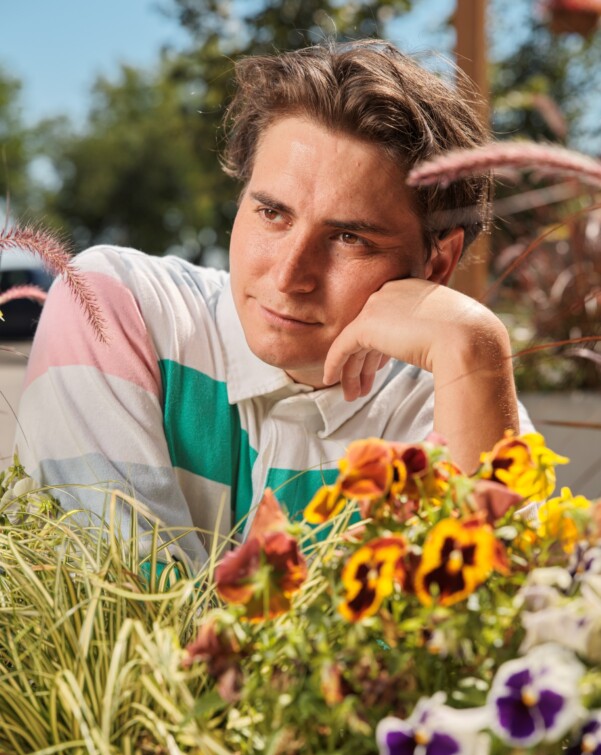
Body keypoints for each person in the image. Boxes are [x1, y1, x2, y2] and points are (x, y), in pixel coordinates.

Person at [15, 40, 532, 570]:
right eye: (272, 213)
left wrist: (475, 346)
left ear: (437, 265)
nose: (289, 276)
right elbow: (121, 612)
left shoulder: (454, 400)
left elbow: (486, 636)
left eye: (349, 237)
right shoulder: (117, 308)